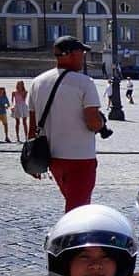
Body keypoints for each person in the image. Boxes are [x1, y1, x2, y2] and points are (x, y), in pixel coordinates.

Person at [28, 37, 107, 212]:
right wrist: (102, 122)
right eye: (82, 52)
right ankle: (71, 237)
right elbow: (93, 123)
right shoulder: (84, 82)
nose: (84, 56)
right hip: (80, 157)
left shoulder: (37, 82)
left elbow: (32, 125)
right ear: (71, 54)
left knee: (73, 203)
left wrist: (33, 159)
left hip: (53, 157)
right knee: (78, 210)